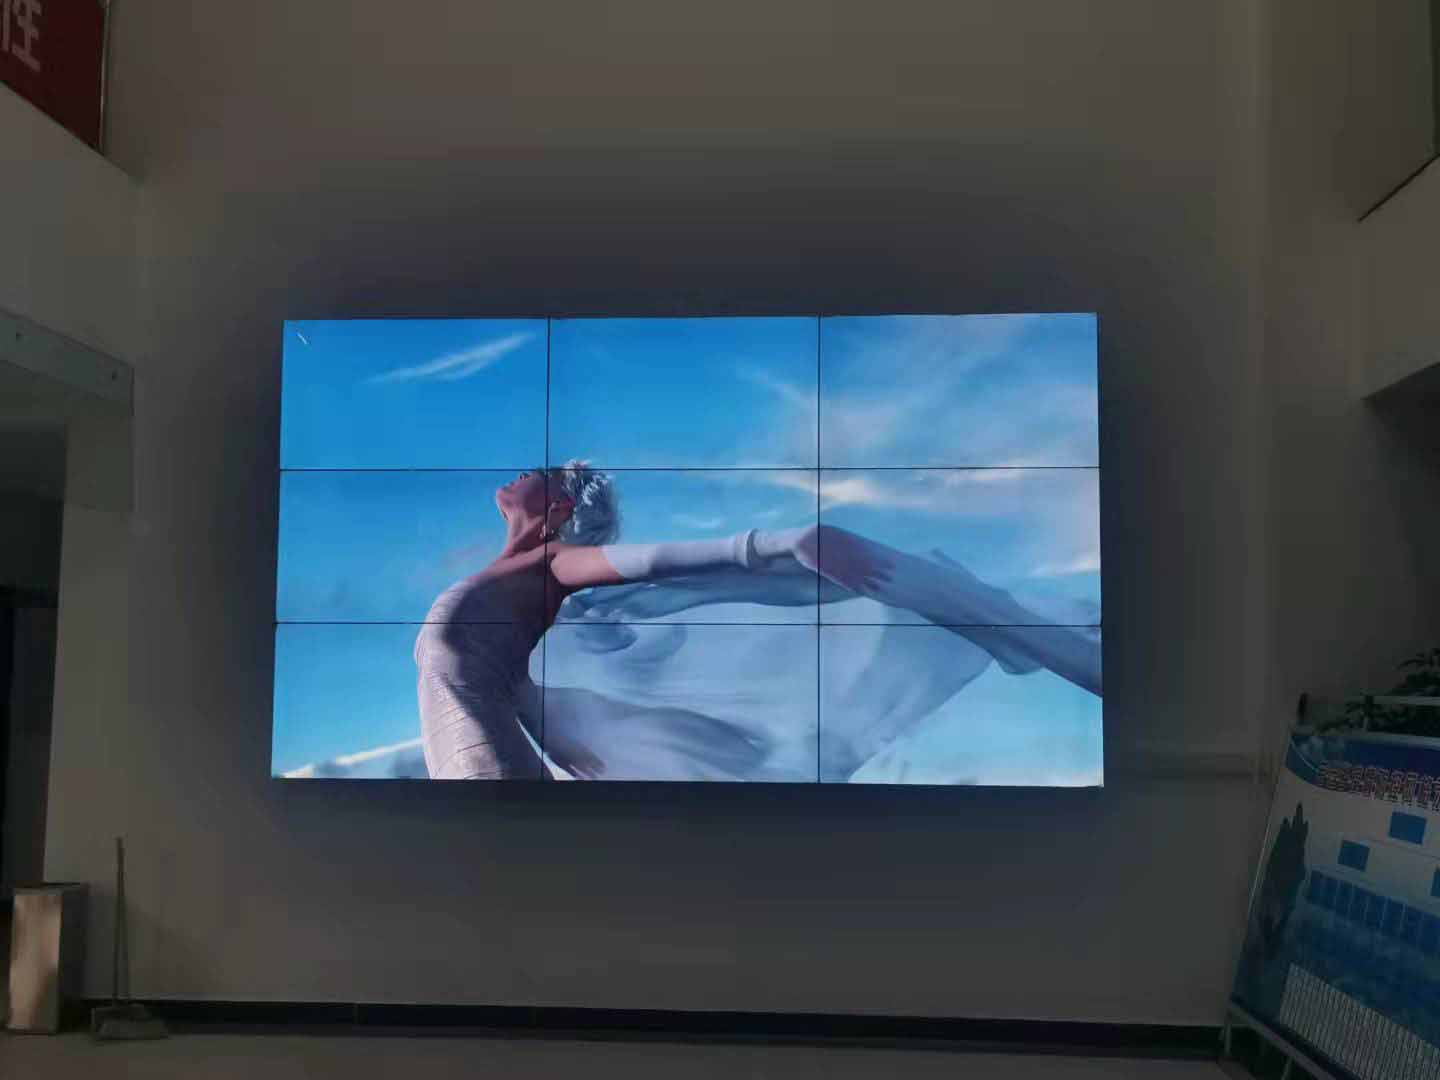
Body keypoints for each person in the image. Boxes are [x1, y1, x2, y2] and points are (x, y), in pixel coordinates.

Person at [416, 461, 1100, 781]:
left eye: (538, 472)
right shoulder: (512, 577)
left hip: (485, 776)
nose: (520, 472)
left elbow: (659, 560)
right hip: (465, 760)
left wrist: (781, 542)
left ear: (560, 510)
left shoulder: (556, 562)